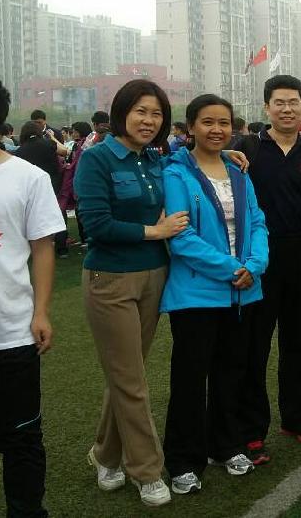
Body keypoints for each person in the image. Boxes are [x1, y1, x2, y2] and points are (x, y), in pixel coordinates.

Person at [74, 79, 188, 507]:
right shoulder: (96, 158)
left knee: (126, 373)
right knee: (132, 380)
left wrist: (228, 154)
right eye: (141, 111)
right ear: (122, 112)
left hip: (154, 277)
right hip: (110, 280)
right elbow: (95, 224)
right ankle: (147, 470)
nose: (149, 120)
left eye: (156, 113)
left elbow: (190, 163)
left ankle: (105, 454)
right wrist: (155, 231)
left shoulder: (156, 159)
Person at [161, 94, 269, 494]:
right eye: (207, 122)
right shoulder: (176, 173)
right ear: (190, 127)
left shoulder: (239, 171)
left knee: (231, 373)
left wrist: (254, 265)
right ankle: (183, 460)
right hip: (197, 294)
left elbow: (257, 222)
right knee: (190, 379)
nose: (217, 129)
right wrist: (231, 269)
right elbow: (181, 237)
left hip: (242, 292)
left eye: (224, 122)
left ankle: (226, 445)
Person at [236, 75, 301, 466]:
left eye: (293, 102)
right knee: (255, 345)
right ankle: (251, 429)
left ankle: (296, 416)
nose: (287, 109)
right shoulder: (246, 149)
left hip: (300, 252)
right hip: (258, 256)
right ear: (266, 107)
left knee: (300, 341)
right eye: (279, 102)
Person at [0, 78, 66, 518]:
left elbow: (43, 248)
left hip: (12, 332)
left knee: (21, 436)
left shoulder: (28, 177)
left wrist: (41, 311)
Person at [14, 121, 70, 258]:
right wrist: (52, 137)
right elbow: (65, 151)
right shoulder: (48, 144)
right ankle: (61, 247)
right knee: (58, 212)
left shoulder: (20, 151)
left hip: (29, 187)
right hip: (52, 183)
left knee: (32, 216)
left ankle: (34, 247)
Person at [57, 121, 92, 247]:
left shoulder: (86, 145)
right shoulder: (78, 145)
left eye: (75, 131)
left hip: (82, 180)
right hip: (75, 179)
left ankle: (87, 238)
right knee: (78, 211)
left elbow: (78, 163)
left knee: (83, 211)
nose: (73, 133)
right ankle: (83, 238)